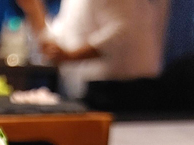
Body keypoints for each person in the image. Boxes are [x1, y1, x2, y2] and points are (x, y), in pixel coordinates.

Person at [15, 0, 171, 99]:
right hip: (88, 91)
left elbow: (124, 32)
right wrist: (34, 9)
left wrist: (71, 56)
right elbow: (58, 45)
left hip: (122, 91)